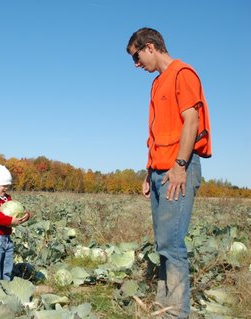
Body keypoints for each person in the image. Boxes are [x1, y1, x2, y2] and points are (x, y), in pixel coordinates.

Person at [126, 28, 212, 318]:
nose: (136, 64)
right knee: (163, 244)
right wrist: (149, 172)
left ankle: (177, 314)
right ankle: (165, 308)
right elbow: (156, 133)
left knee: (173, 245)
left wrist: (179, 166)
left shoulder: (182, 73)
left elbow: (191, 121)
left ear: (150, 47)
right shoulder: (156, 83)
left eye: (136, 57)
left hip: (178, 169)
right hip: (159, 171)